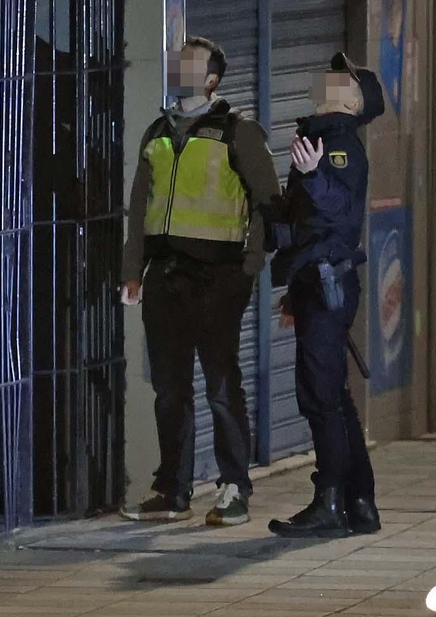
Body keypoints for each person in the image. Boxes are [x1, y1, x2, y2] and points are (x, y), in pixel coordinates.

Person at [120, 36, 280, 527]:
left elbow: (268, 202)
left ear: (211, 80)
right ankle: (172, 489)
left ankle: (234, 487)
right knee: (169, 390)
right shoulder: (158, 131)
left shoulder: (239, 131)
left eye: (189, 65)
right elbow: (138, 208)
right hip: (165, 278)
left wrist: (248, 268)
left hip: (219, 279)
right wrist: (132, 271)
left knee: (220, 385)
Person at [266, 53, 386, 539]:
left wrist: (314, 176)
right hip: (316, 281)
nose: (326, 80)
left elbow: (340, 207)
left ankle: (329, 502)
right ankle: (360, 503)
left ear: (353, 99)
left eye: (341, 78)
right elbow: (306, 224)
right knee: (333, 395)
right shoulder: (321, 138)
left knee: (320, 398)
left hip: (328, 281)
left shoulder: (339, 145)